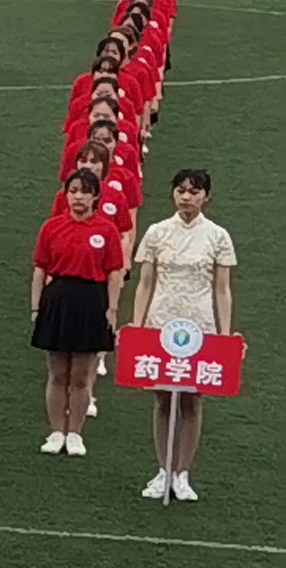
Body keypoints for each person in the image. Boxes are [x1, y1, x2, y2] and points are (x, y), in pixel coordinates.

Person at [127, 169, 233, 502]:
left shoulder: (218, 236)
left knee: (192, 399)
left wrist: (225, 335)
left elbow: (222, 289)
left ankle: (183, 472)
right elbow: (145, 283)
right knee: (163, 398)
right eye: (181, 190)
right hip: (161, 323)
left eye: (194, 191)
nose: (187, 197)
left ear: (206, 196)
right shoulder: (157, 232)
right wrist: (137, 326)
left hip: (199, 326)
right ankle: (163, 470)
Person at [31, 170, 125, 457]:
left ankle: (75, 433)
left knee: (81, 376)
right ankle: (56, 431)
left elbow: (114, 272)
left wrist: (111, 309)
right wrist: (36, 306)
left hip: (92, 301)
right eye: (73, 191)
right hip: (58, 299)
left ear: (95, 196)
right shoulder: (52, 227)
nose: (78, 197)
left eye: (84, 191)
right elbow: (40, 269)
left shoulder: (106, 230)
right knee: (57, 373)